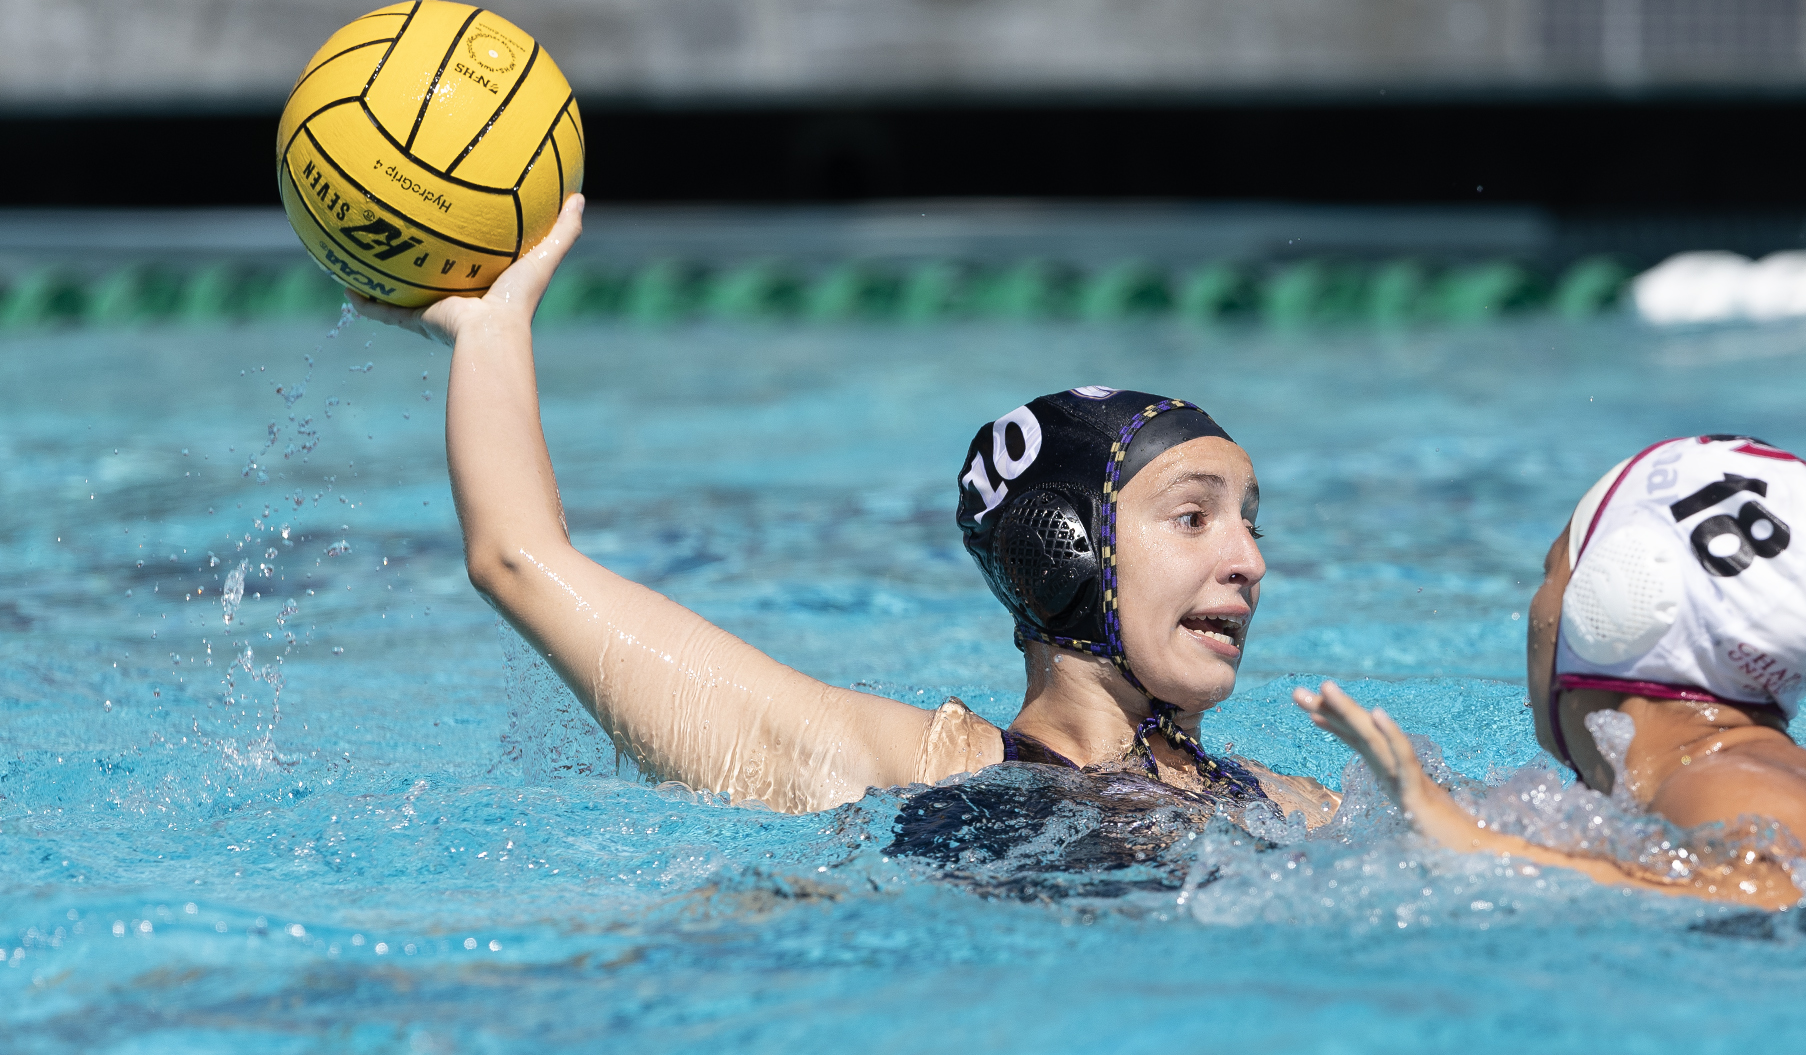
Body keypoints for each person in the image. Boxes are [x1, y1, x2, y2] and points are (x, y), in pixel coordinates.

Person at [353, 194, 1337, 821]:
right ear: (1063, 550)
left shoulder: (1299, 809)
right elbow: (520, 562)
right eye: (1195, 517)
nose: (1251, 561)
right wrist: (491, 332)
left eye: (1251, 522)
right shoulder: (905, 769)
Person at [1295, 434, 1806, 907]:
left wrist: (1472, 843)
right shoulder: (1741, 771)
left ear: (1612, 603)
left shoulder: (1728, 785)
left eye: (1551, 572)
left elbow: (1774, 892)